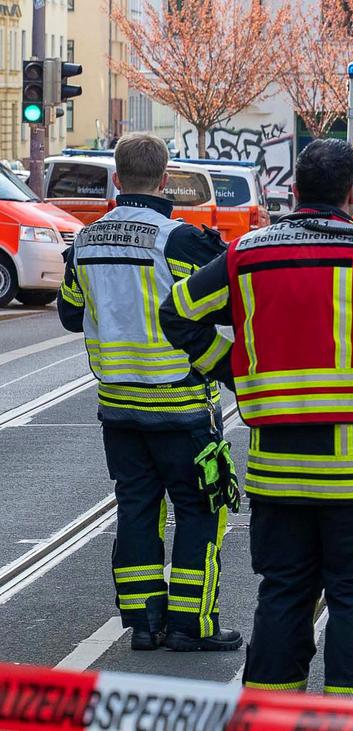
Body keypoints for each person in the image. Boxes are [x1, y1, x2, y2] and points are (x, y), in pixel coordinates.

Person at [159, 139, 353, 698]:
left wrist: (233, 370)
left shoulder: (247, 253)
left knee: (284, 594)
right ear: (351, 193)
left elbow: (177, 310)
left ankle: (271, 713)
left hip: (276, 475)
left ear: (293, 191)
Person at [56, 133, 240, 652]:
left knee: (136, 507)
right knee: (201, 508)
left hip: (118, 407)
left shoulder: (86, 241)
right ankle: (191, 623)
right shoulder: (178, 240)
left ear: (117, 180)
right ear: (166, 181)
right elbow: (222, 305)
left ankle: (143, 623)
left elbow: (72, 315)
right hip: (180, 404)